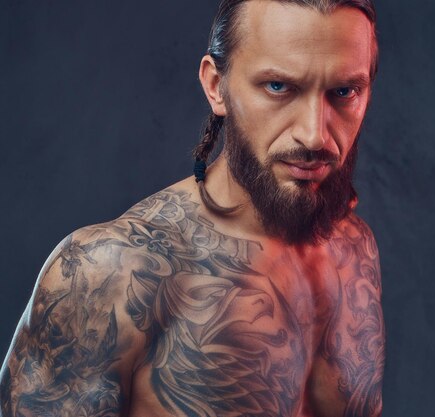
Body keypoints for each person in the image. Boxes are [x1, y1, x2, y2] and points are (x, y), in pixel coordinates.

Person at [0, 0, 385, 416]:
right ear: (216, 85)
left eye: (344, 92)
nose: (314, 135)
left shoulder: (353, 248)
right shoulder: (110, 271)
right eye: (278, 87)